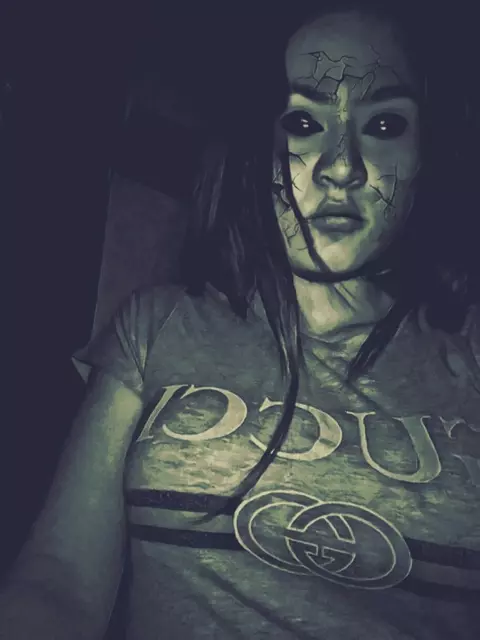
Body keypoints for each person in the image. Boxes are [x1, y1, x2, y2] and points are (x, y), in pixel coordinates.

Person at [2, 1, 479, 638]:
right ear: (258, 143)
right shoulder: (158, 326)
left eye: (385, 124)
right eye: (303, 121)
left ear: (426, 155)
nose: (341, 167)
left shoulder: (470, 353)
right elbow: (59, 583)